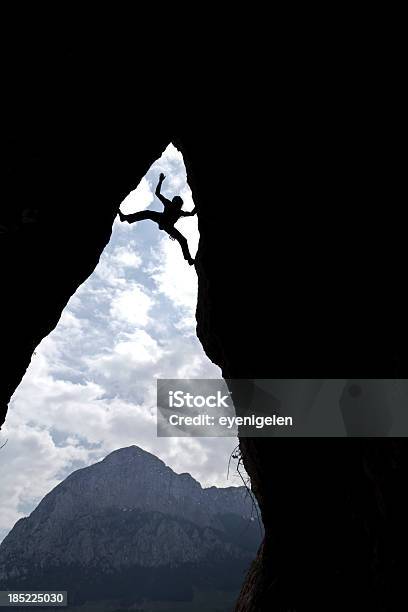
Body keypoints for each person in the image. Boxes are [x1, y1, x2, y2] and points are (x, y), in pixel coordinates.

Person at [118, 173, 196, 265]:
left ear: (177, 203)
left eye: (176, 201)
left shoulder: (175, 208)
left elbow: (191, 213)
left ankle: (189, 259)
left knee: (183, 240)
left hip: (164, 223)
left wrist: (160, 181)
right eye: (175, 201)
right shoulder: (176, 209)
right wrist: (160, 181)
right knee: (148, 213)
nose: (175, 202)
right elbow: (191, 213)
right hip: (165, 223)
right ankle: (126, 218)